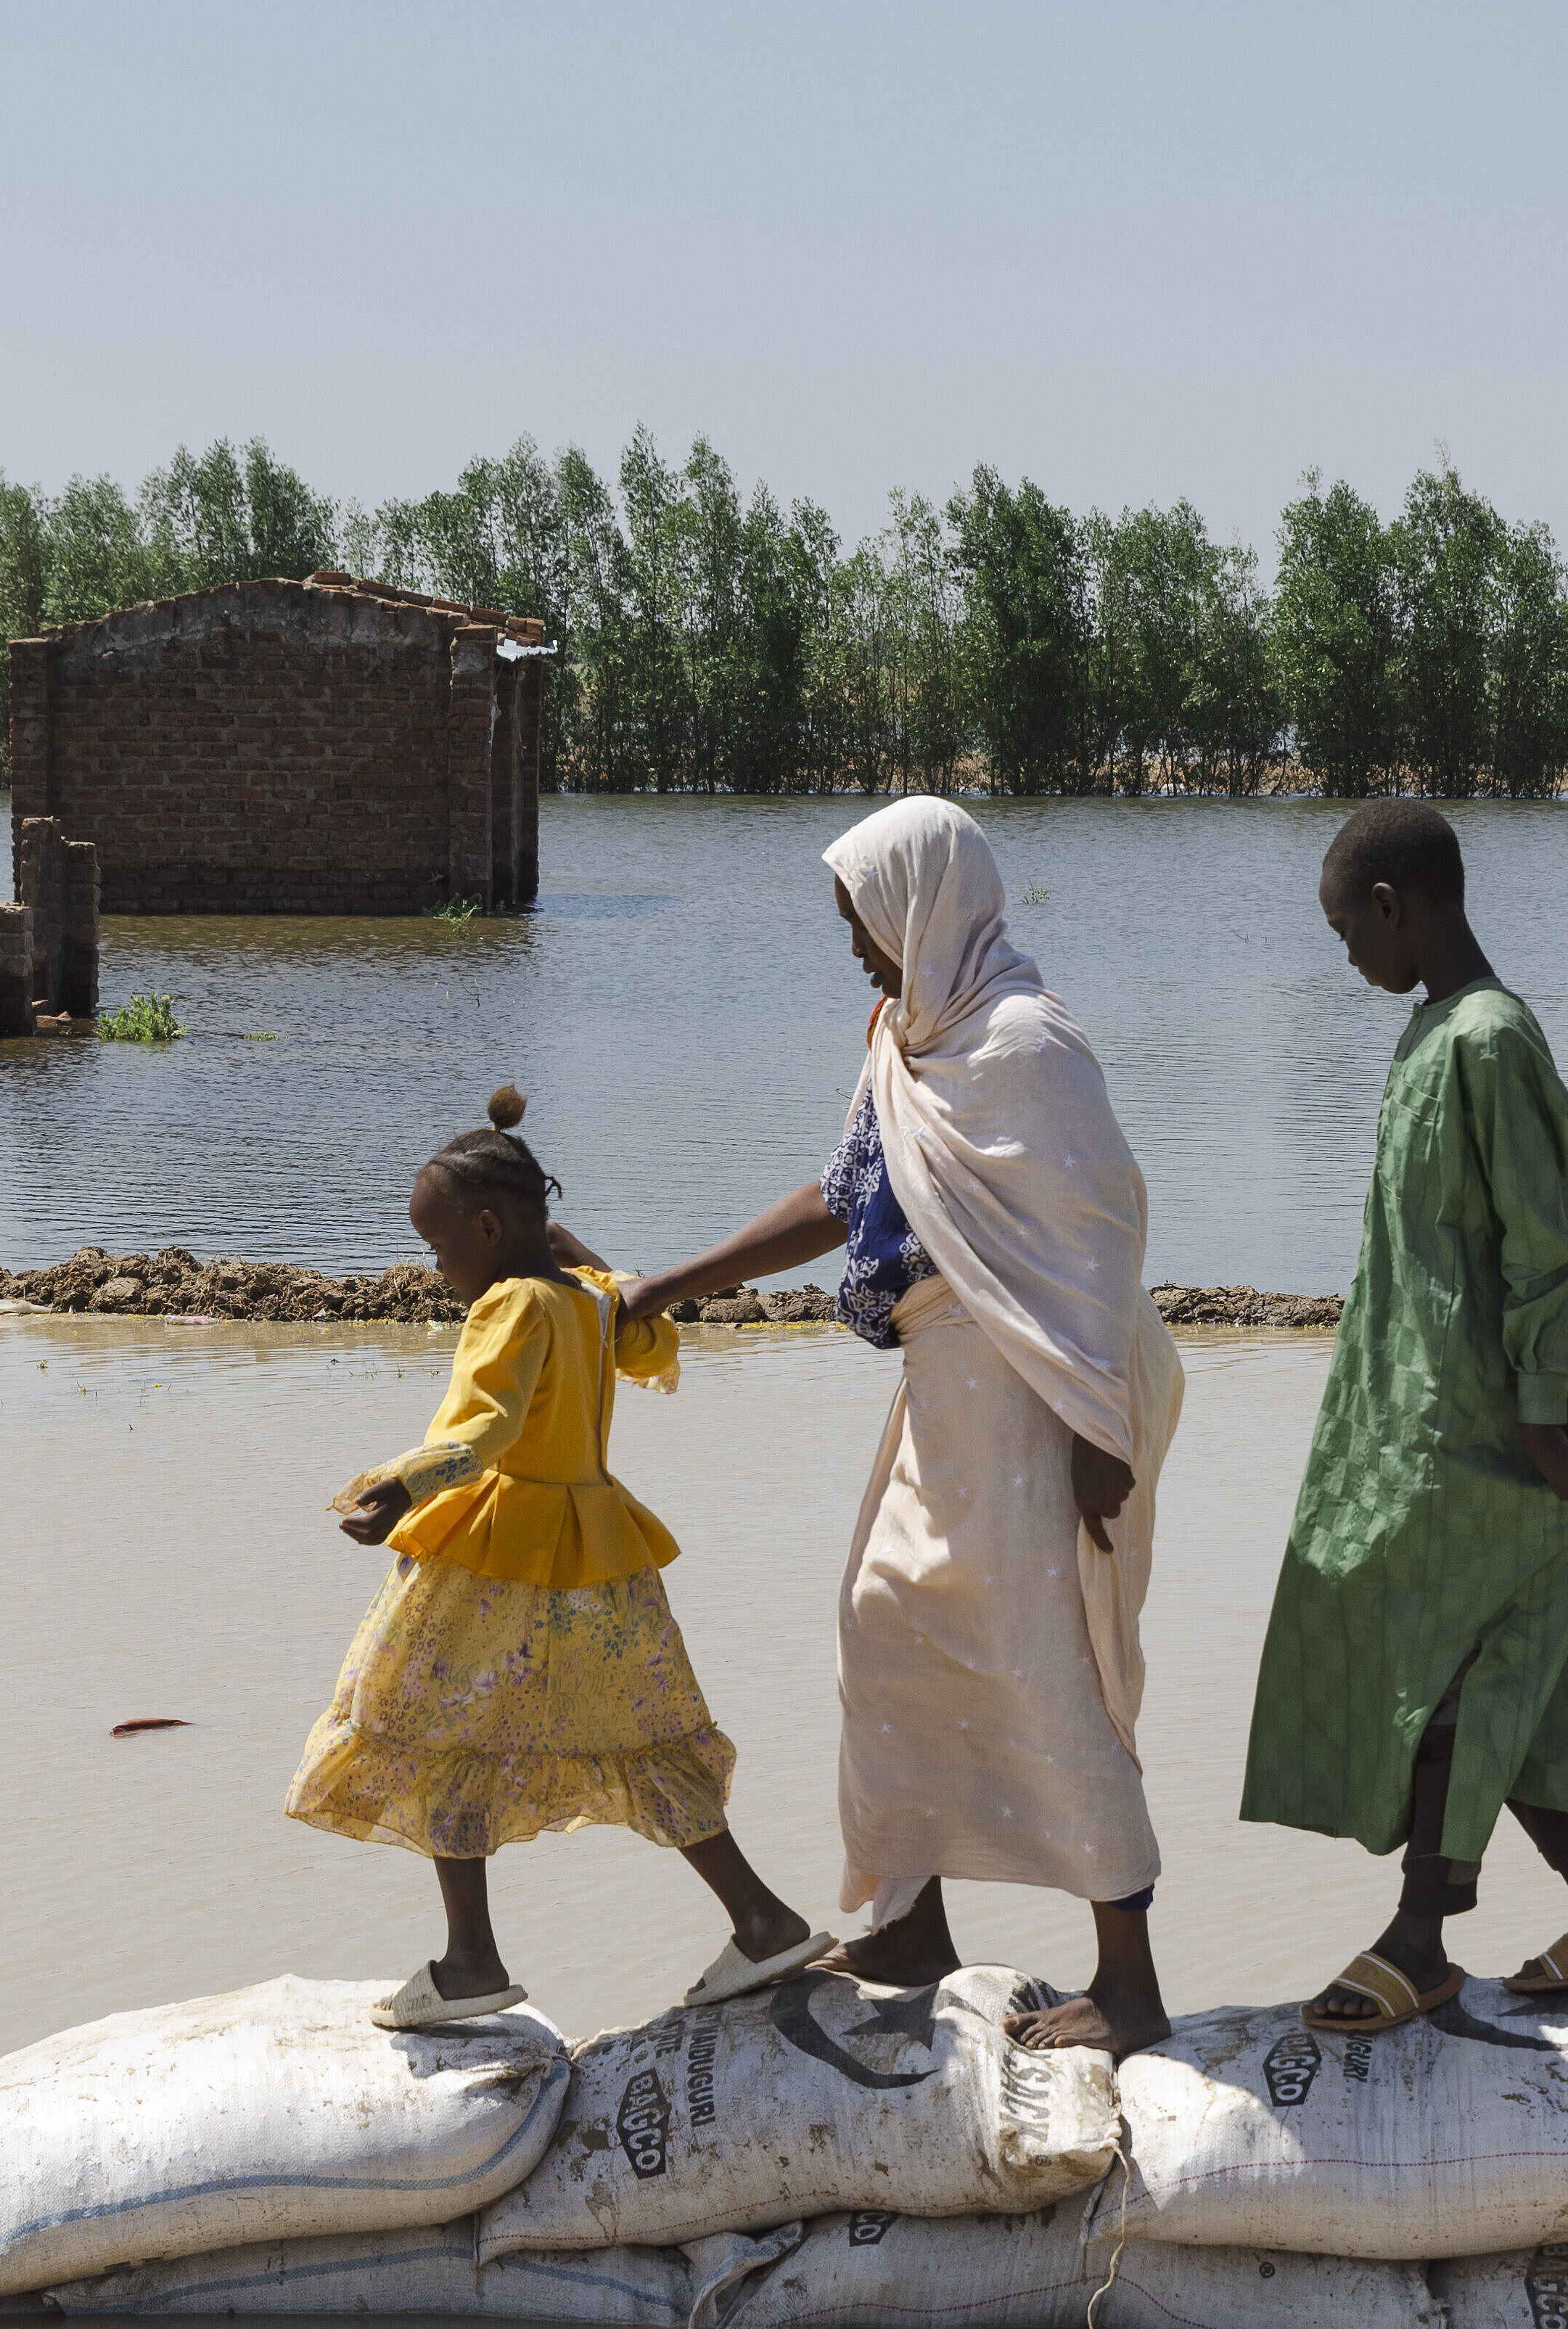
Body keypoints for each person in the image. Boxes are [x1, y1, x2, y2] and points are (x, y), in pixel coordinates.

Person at [616, 797, 1183, 2053]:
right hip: (944, 1381)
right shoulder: (905, 1036)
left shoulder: (1027, 1042)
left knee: (1049, 1663)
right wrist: (671, 1285)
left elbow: (1098, 1237)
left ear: (925, 907)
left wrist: (1101, 1433)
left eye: (865, 924)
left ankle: (1130, 1981)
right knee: (884, 1624)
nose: (859, 951)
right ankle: (910, 1919)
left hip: (1042, 1388)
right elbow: (846, 1193)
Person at [1240, 797, 1568, 2036]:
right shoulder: (1432, 1031)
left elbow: (1541, 1249)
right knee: (1506, 1661)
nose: (1348, 960)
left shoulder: (1490, 1040)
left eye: (1347, 933)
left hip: (1488, 1424)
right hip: (1412, 1410)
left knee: (1447, 1659)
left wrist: (1545, 1421)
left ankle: (1422, 1932)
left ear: (1394, 907)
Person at [295, 1089, 823, 2032]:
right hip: (599, 1559)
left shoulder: (508, 1306)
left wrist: (404, 1485)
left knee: (429, 1729)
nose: (441, 1267)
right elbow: (639, 1324)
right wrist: (578, 1254)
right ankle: (763, 1919)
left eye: (443, 1247)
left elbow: (487, 1433)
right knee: (649, 1738)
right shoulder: (587, 1300)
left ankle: (471, 1962)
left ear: (490, 1230)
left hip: (493, 1555)